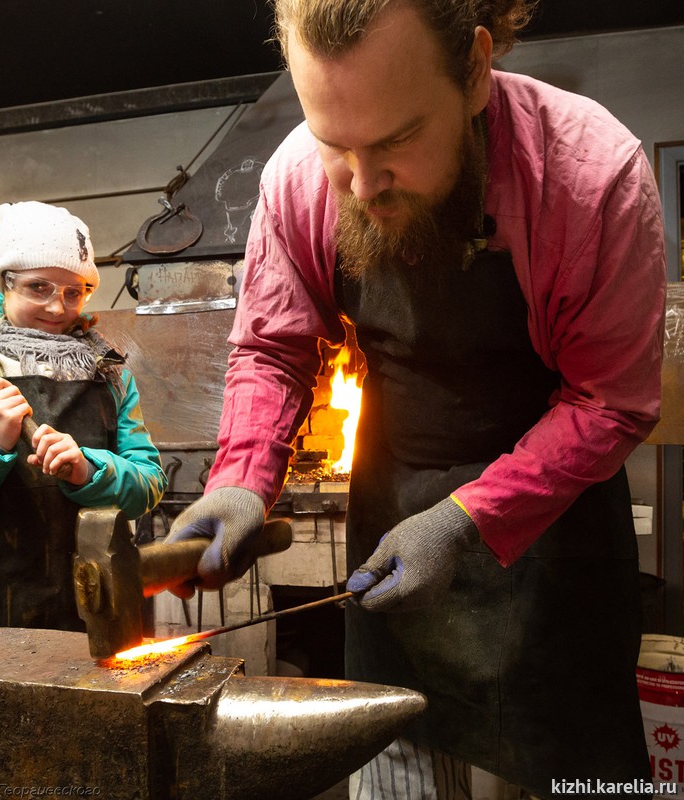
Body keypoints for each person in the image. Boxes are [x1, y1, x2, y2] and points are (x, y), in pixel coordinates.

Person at [164, 0, 667, 796]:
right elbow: (273, 348)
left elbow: (610, 402)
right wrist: (241, 481)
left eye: (397, 140)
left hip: (555, 537)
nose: (362, 184)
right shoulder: (297, 179)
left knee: (576, 768)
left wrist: (465, 521)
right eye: (336, 145)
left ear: (475, 70)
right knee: (395, 760)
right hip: (394, 507)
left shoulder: (588, 174)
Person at [0, 201, 167, 632]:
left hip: (93, 619)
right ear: (5, 282)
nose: (58, 308)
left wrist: (88, 470)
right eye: (39, 287)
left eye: (74, 292)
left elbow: (148, 484)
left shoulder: (109, 373)